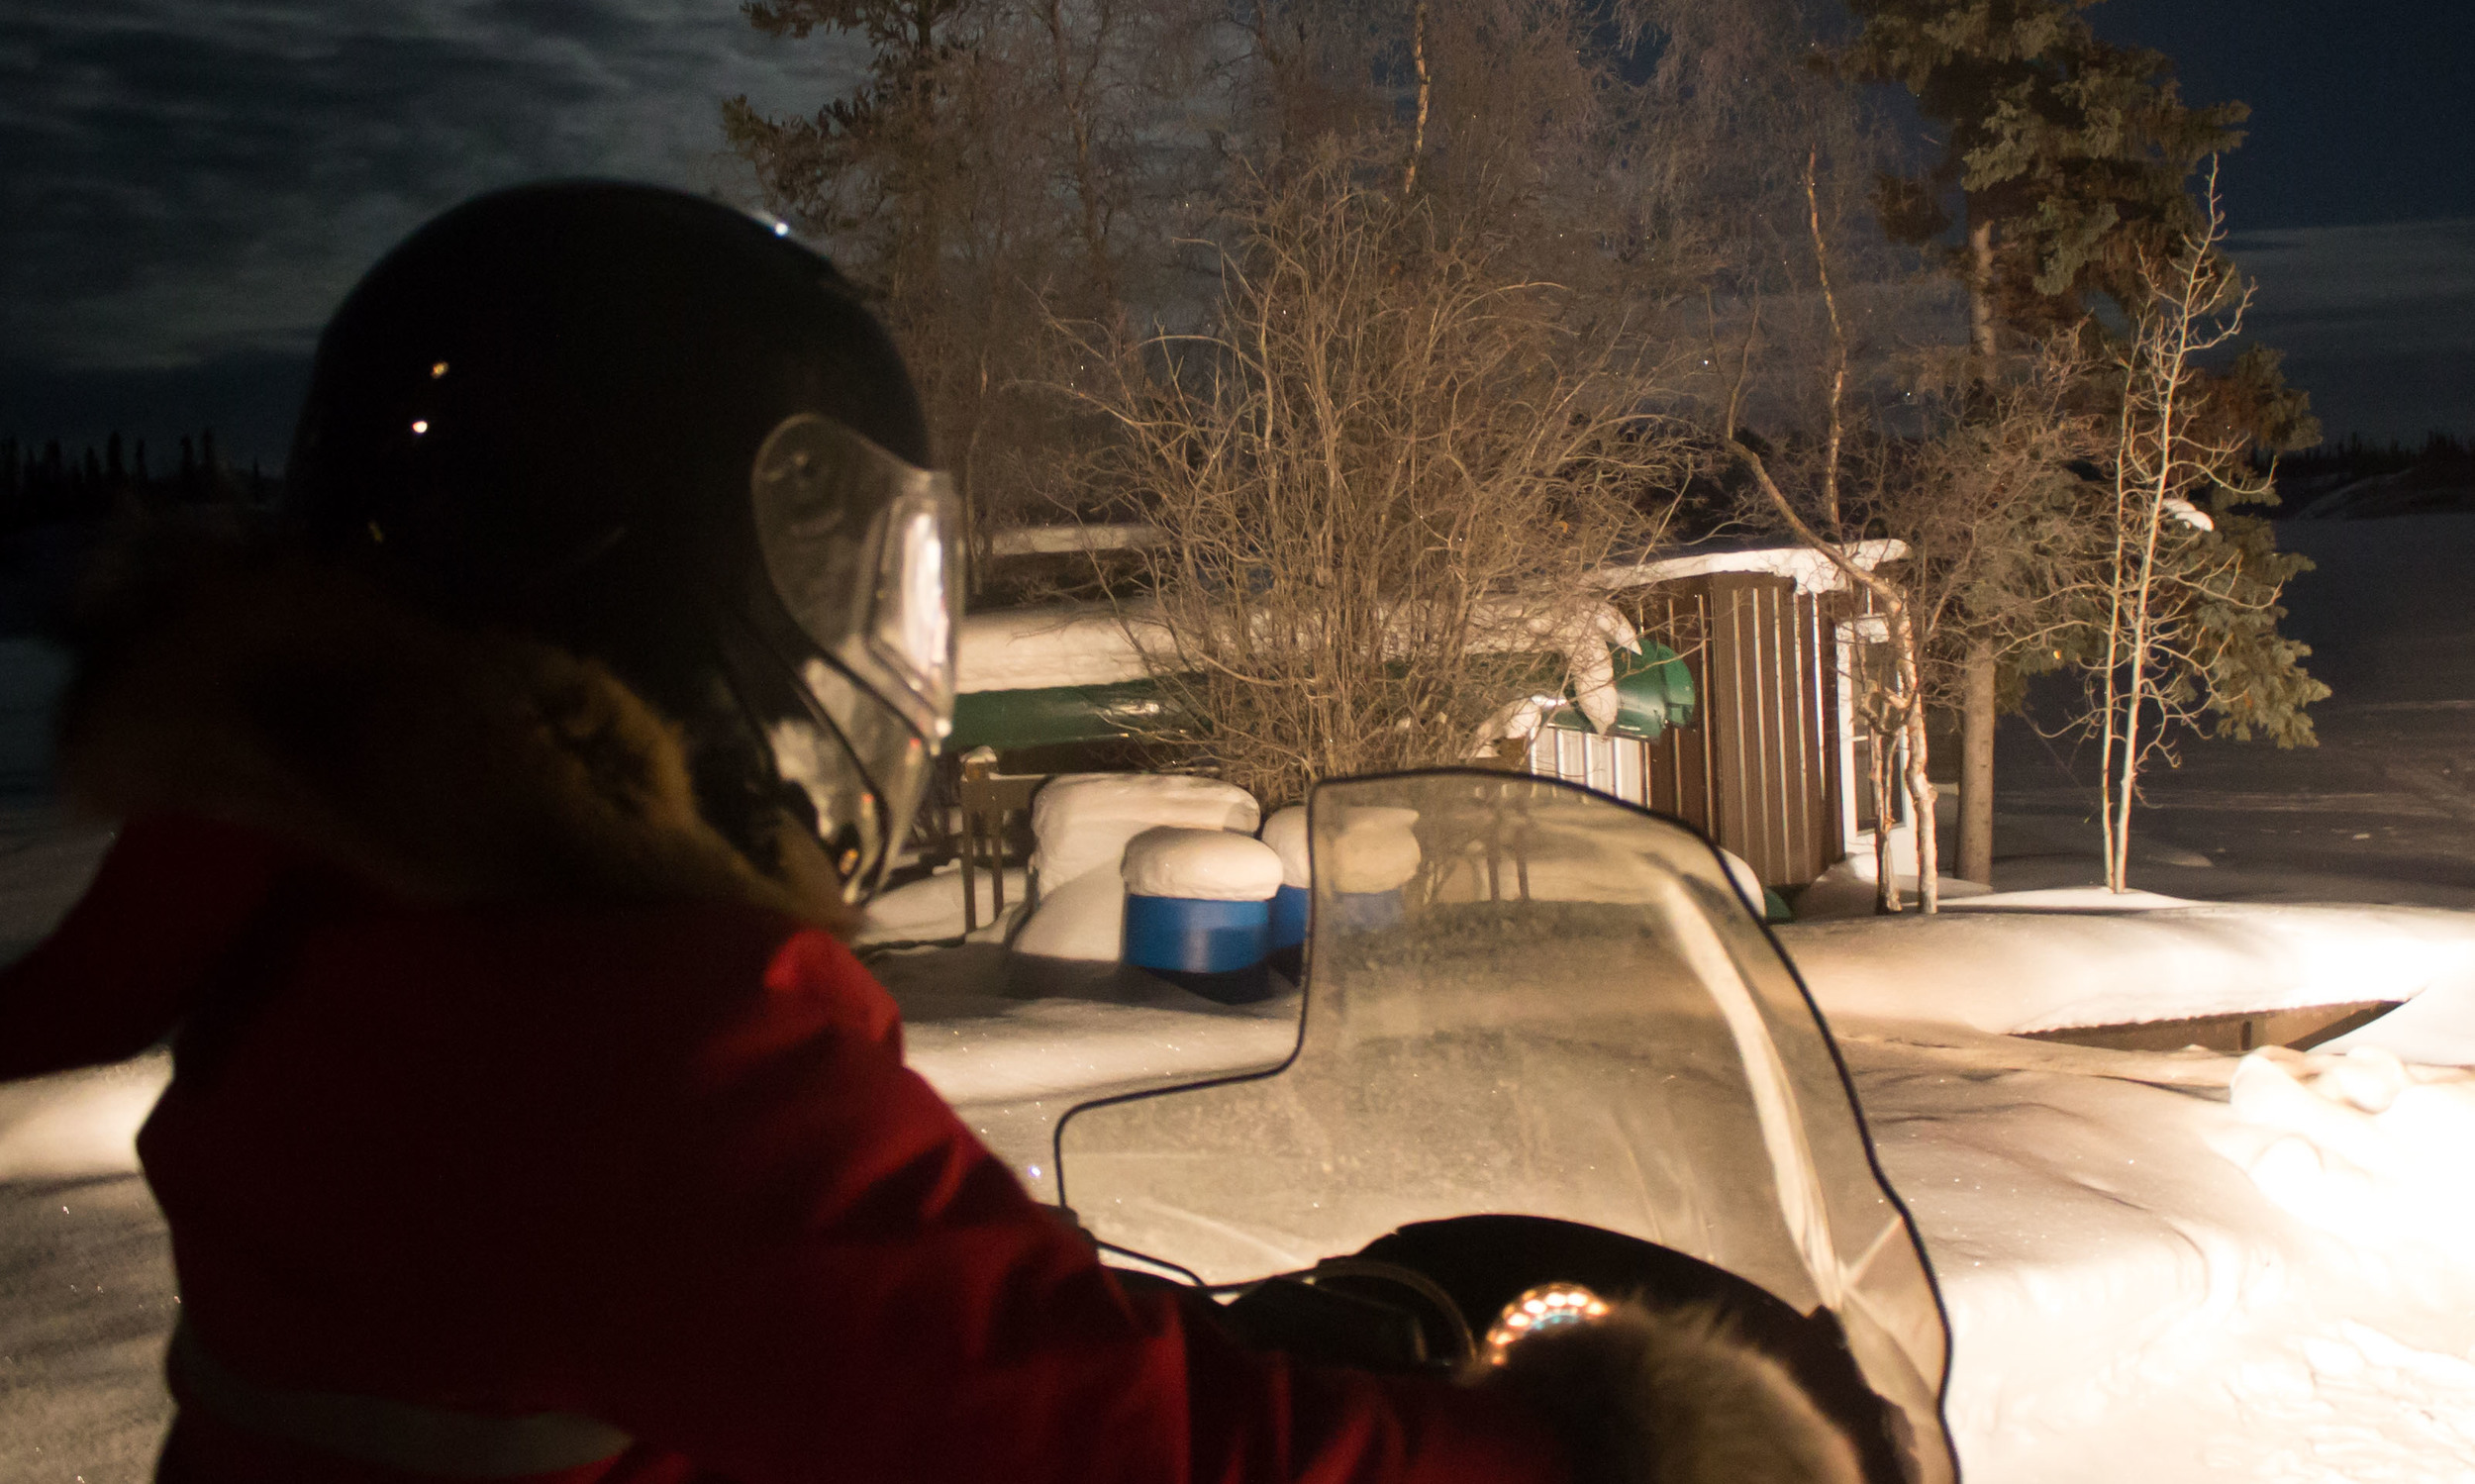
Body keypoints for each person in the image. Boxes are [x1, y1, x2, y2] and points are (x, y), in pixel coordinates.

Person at [0, 183, 1863, 1484]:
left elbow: (787, 1336)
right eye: (840, 557)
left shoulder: (341, 925)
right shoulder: (611, 1028)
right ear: (668, 565)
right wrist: (1571, 1457)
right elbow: (1084, 1445)